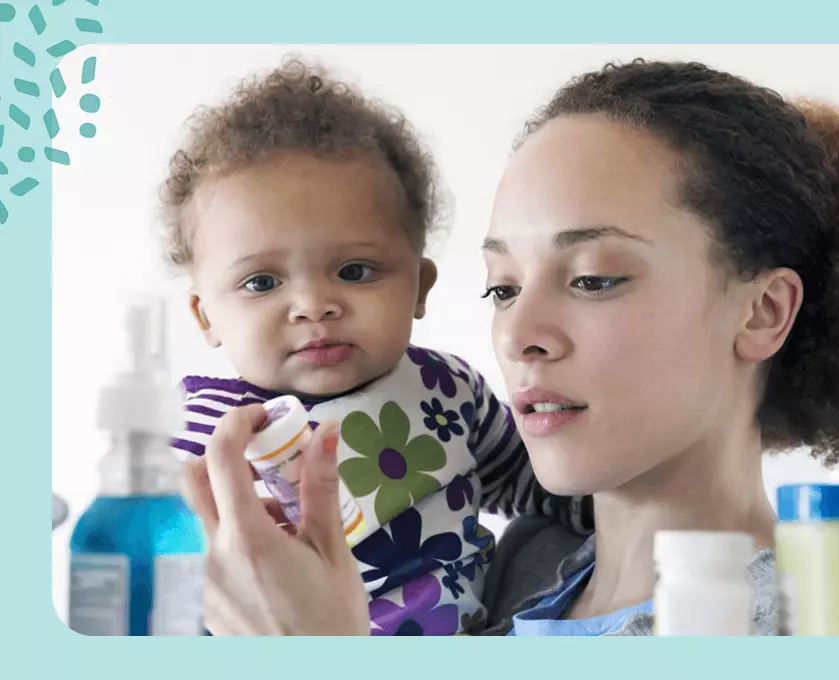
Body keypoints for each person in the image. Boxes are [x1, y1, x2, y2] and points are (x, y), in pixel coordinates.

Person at [182, 58, 839, 636]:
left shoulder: (825, 632)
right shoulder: (523, 565)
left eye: (591, 279)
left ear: (762, 311)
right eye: (502, 288)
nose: (517, 335)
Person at [162, 58, 590, 636]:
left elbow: (533, 483)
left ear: (419, 287)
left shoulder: (450, 391)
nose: (313, 305)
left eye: (355, 271)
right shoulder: (207, 437)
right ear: (205, 314)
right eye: (261, 282)